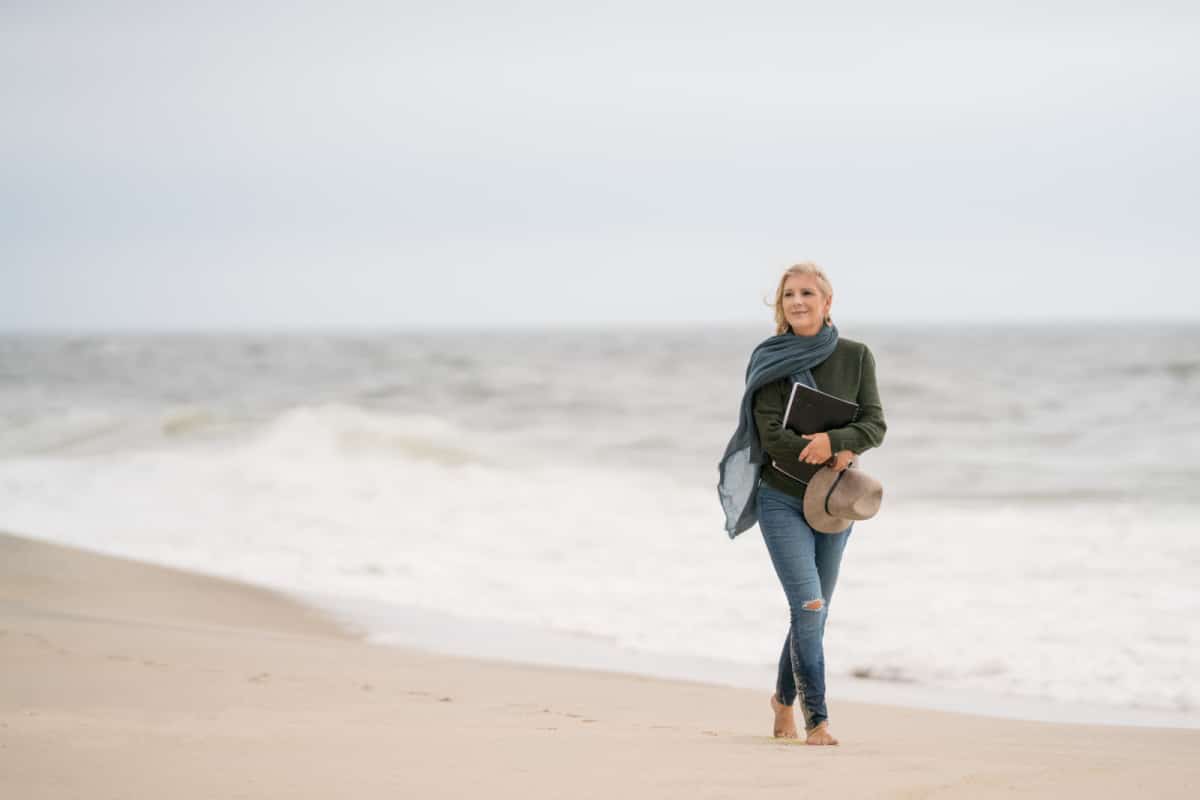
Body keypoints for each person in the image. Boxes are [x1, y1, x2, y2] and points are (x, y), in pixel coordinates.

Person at [716, 261, 886, 746]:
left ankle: (781, 700)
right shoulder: (770, 358)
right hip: (782, 500)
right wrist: (820, 448)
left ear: (826, 302)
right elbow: (769, 434)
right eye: (788, 294)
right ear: (780, 305)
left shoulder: (856, 357)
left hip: (835, 504)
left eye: (807, 293)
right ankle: (819, 721)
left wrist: (837, 440)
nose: (797, 301)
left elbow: (875, 424)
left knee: (815, 612)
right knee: (808, 606)